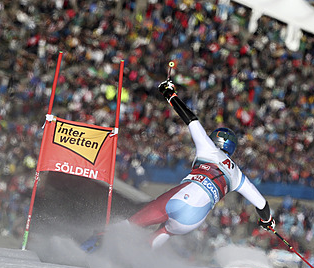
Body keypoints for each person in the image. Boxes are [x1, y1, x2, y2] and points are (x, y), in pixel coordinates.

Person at [81, 79, 275, 252]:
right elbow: (262, 205)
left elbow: (191, 119)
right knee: (165, 231)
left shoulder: (208, 148)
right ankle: (136, 259)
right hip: (193, 220)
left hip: (181, 198)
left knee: (133, 223)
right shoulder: (238, 175)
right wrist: (267, 221)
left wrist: (170, 94)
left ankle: (88, 248)